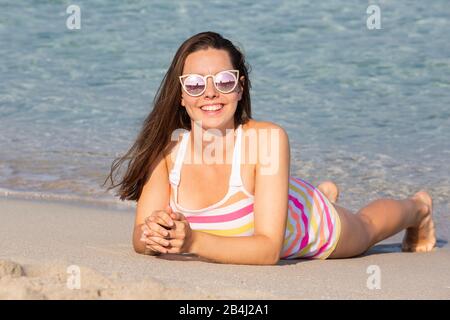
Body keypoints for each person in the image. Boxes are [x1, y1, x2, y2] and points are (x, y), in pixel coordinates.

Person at [104, 31, 436, 265]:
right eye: (194, 84)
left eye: (223, 81)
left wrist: (190, 242)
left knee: (366, 228)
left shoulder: (268, 139)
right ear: (180, 95)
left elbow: (267, 251)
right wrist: (153, 235)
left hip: (308, 225)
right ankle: (311, 193)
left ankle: (417, 208)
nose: (209, 93)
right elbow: (138, 236)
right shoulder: (167, 155)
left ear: (239, 88)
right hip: (272, 205)